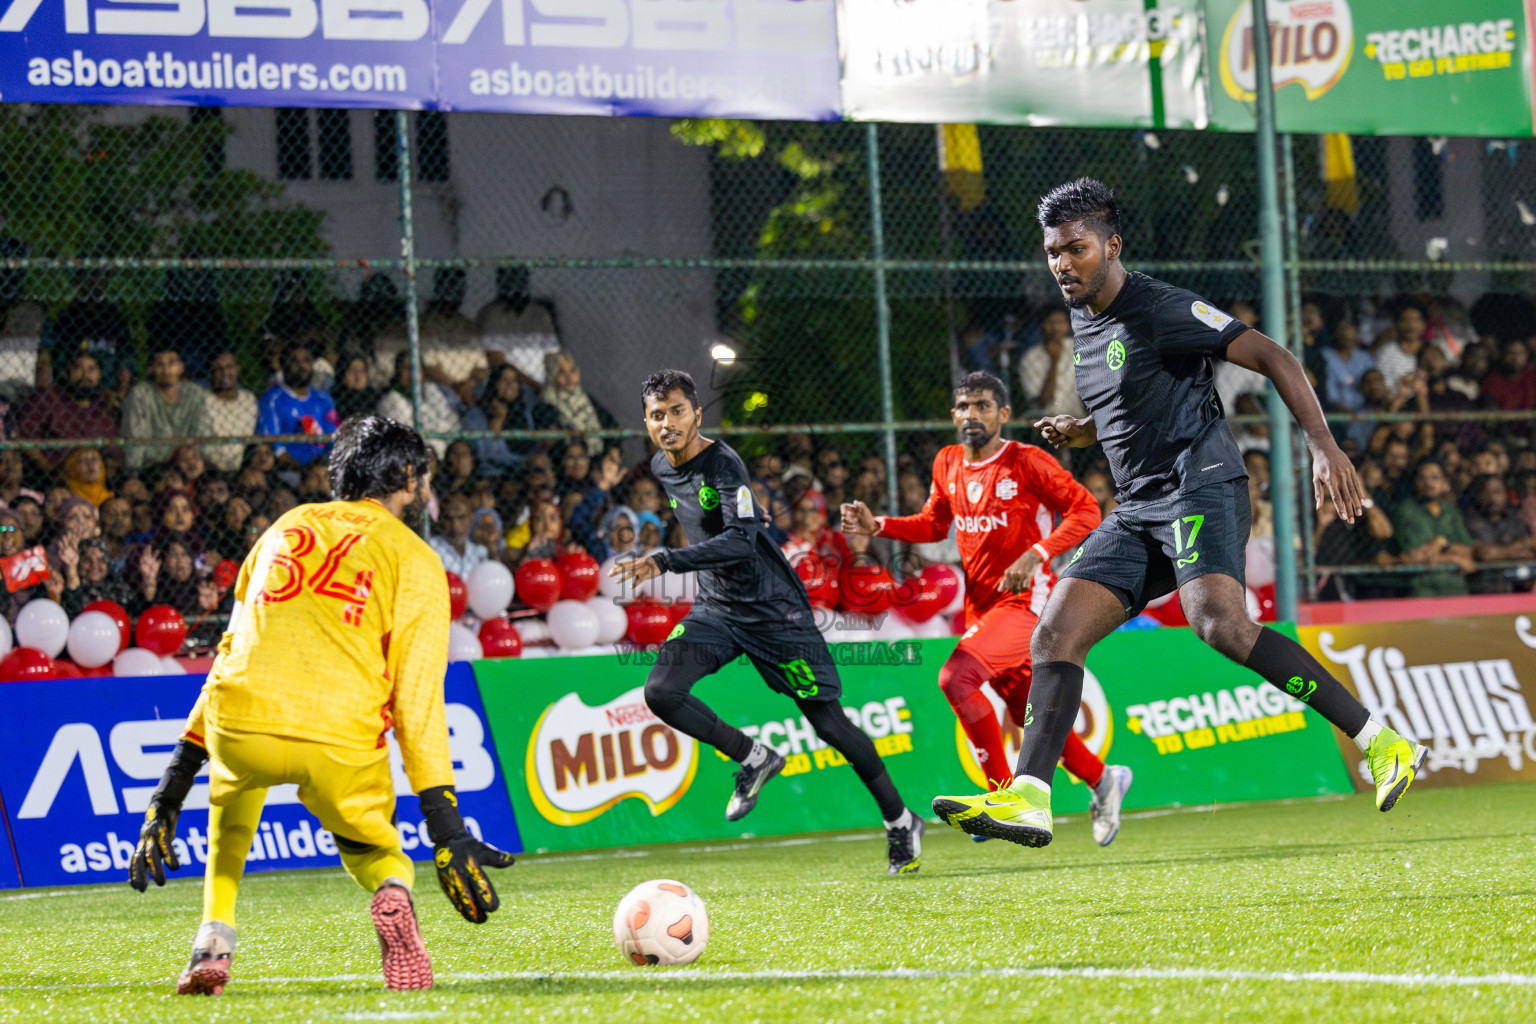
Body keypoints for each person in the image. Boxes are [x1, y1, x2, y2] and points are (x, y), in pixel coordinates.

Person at [930, 180, 1426, 849]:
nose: (1062, 264)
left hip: (1202, 485)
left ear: (1112, 245)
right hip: (1138, 507)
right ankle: (1031, 797)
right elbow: (1135, 398)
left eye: (1075, 248)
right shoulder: (1082, 313)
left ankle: (1381, 739)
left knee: (1219, 625)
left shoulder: (1162, 307)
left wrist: (1322, 444)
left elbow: (1272, 355)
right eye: (1052, 251)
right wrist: (1083, 430)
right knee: (1054, 635)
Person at [127, 415, 515, 995]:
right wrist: (447, 829)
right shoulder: (415, 558)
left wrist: (169, 790)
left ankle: (213, 943)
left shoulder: (283, 527)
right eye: (424, 475)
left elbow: (230, 654)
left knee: (232, 805)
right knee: (375, 848)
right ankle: (391, 892)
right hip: (335, 733)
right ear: (408, 476)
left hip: (238, 721)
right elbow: (417, 701)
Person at [609, 370, 925, 876]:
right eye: (656, 415)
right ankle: (753, 757)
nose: (666, 423)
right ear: (645, 421)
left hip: (774, 613)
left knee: (828, 724)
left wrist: (665, 561)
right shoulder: (659, 468)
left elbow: (740, 540)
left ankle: (900, 819)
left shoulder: (723, 463)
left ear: (697, 414)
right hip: (717, 609)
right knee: (661, 691)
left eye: (676, 412)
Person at [843, 372, 1133, 846]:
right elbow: (935, 523)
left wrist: (1035, 553)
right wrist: (878, 524)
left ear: (1002, 414)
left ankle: (1000, 798)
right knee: (1024, 710)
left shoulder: (1027, 461)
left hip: (1029, 600)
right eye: (962, 406)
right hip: (981, 605)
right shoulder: (948, 462)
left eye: (981, 406)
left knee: (955, 677)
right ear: (953, 414)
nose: (970, 414)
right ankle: (1104, 779)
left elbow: (1086, 511)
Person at [17, 350, 119, 473]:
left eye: (91, 369)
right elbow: (25, 439)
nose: (85, 375)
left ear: (99, 374)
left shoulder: (102, 407)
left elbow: (113, 451)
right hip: (54, 476)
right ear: (66, 373)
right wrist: (49, 469)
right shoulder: (50, 398)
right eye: (78, 369)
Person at [1391, 460, 1475, 597]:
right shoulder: (1406, 511)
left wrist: (1443, 546)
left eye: (1434, 478)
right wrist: (1456, 558)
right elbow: (1415, 556)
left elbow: (1469, 550)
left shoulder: (1451, 511)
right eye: (1422, 478)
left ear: (1444, 483)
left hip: (1456, 588)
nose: (1428, 483)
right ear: (1415, 482)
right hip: (1423, 589)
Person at [124, 346, 211, 472]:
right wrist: (134, 474)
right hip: (151, 467)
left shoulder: (194, 393)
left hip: (186, 463)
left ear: (181, 367)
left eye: (171, 363)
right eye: (160, 365)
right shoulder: (140, 394)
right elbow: (135, 439)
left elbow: (202, 432)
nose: (166, 371)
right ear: (151, 369)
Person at [258, 340, 339, 471]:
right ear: (283, 365)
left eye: (306, 360)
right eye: (294, 361)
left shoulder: (324, 400)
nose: (301, 365)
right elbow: (275, 447)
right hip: (286, 471)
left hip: (321, 467)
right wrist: (303, 471)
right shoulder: (271, 400)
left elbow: (335, 437)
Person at [1463, 473, 1535, 594]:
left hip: (1514, 588)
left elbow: (1529, 550)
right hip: (1478, 589)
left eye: (1497, 491)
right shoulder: (1468, 520)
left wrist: (1498, 552)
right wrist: (1512, 551)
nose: (1493, 497)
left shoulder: (1514, 520)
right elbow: (1483, 554)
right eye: (1486, 492)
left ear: (1505, 494)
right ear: (1478, 495)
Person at [1018, 307, 1085, 418]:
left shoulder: (1078, 349)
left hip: (1076, 417)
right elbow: (1042, 402)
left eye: (1061, 322)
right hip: (1044, 419)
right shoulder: (1030, 358)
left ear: (1067, 326)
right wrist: (1054, 362)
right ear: (1042, 325)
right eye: (1051, 322)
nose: (1056, 328)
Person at [204, 351, 259, 474]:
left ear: (237, 369)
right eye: (218, 368)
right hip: (209, 470)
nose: (224, 373)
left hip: (242, 469)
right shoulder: (201, 401)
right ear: (211, 372)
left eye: (229, 367)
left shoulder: (249, 399)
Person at [429, 493, 490, 579]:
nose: (455, 525)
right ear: (440, 520)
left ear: (471, 519)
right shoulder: (430, 548)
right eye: (449, 519)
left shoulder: (479, 553)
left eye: (461, 518)